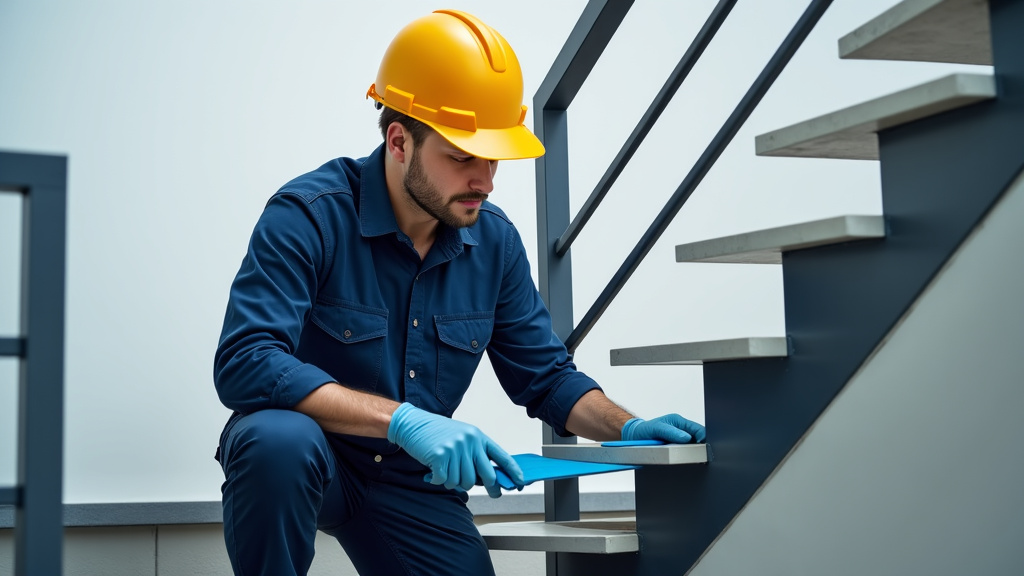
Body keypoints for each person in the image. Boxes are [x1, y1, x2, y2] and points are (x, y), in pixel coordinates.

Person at [213, 9, 705, 576]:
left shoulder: (493, 242)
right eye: (463, 157)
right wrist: (403, 420)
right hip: (310, 457)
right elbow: (246, 363)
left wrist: (629, 429)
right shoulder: (309, 216)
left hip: (408, 478)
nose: (486, 181)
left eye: (493, 158)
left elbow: (545, 379)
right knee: (275, 442)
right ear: (399, 141)